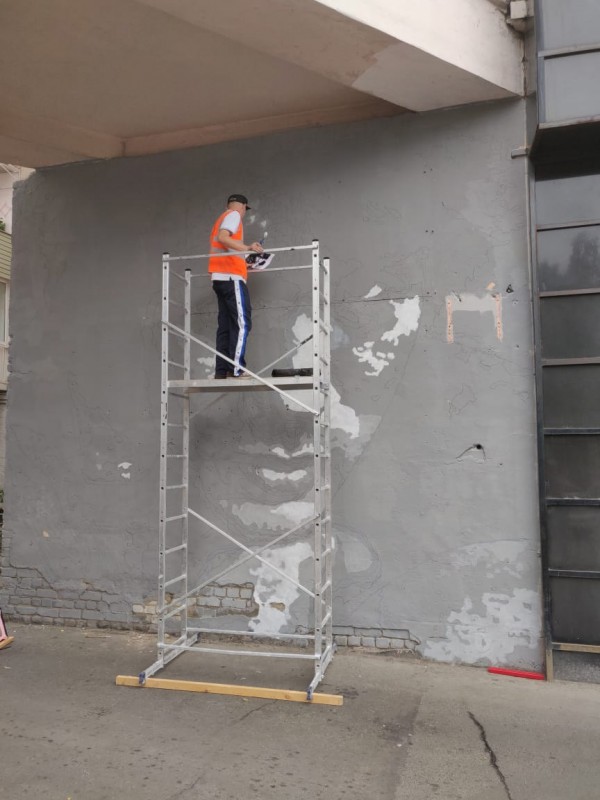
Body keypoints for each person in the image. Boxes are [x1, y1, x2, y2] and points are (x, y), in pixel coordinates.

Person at [208, 194, 264, 379]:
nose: (243, 213)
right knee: (242, 323)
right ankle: (236, 369)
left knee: (226, 325)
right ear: (242, 207)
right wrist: (248, 248)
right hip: (232, 278)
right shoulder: (233, 215)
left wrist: (246, 261)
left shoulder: (222, 218)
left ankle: (222, 370)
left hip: (220, 278)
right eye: (244, 210)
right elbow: (223, 238)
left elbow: (227, 247)